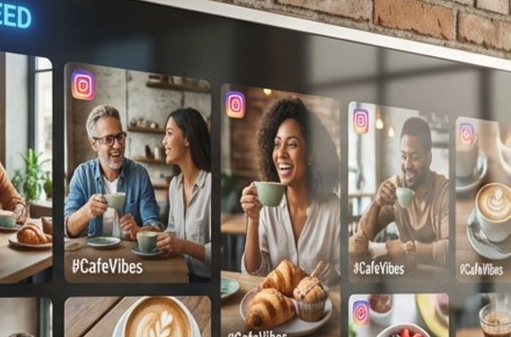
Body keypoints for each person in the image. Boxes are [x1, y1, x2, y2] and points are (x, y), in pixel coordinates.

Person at [239, 97, 341, 285]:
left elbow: (344, 266)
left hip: (318, 310)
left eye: (292, 144)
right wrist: (252, 220)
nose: (281, 153)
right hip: (277, 308)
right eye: (277, 144)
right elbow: (253, 272)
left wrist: (335, 272)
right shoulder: (266, 208)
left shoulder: (334, 209)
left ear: (311, 154)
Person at [348, 116, 451, 271]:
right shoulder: (396, 186)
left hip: (438, 279)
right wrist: (377, 203)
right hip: (405, 277)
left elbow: (452, 249)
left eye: (414, 157)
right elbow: (361, 238)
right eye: (403, 156)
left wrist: (409, 250)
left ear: (429, 157)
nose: (407, 165)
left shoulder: (444, 191)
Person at [64, 105, 162, 239]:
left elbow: (154, 224)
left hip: (130, 257)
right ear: (94, 144)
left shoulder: (140, 175)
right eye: (108, 139)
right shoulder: (82, 175)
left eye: (120, 137)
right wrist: (86, 212)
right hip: (92, 258)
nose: (117, 145)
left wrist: (139, 231)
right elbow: (67, 229)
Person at [155, 108, 214, 282]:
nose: (163, 141)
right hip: (178, 274)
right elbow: (173, 229)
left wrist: (183, 246)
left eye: (169, 133)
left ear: (188, 138)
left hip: (205, 281)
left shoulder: (211, 184)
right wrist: (152, 235)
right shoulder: (174, 185)